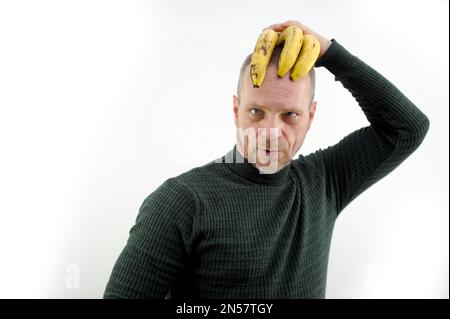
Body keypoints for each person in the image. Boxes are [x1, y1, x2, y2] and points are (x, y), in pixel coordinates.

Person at [103, 20, 429, 299]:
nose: (271, 131)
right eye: (257, 112)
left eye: (290, 115)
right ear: (236, 109)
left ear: (311, 116)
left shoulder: (326, 180)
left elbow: (407, 128)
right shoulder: (181, 202)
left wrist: (330, 53)